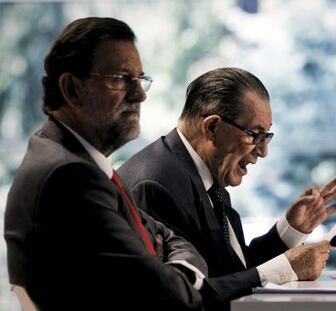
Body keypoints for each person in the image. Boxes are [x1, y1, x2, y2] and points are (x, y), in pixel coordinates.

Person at [3, 17, 207, 311]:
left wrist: (169, 266)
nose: (140, 94)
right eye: (121, 79)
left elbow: (171, 239)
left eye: (140, 78)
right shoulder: (69, 176)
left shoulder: (81, 160)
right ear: (72, 89)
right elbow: (169, 300)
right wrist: (178, 272)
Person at [118, 67, 336, 310]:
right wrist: (285, 269)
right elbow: (187, 297)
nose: (263, 151)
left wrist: (290, 230)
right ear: (212, 128)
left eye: (266, 137)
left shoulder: (205, 174)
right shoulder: (154, 185)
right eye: (256, 135)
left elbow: (233, 270)